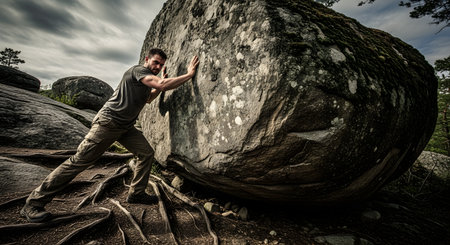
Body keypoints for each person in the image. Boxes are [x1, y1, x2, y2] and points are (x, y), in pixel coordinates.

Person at [21, 48, 200, 223]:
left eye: (160, 65)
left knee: (146, 153)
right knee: (78, 162)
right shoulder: (138, 71)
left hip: (125, 127)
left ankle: (136, 193)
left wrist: (160, 87)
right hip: (108, 123)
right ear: (147, 59)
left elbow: (148, 98)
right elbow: (160, 84)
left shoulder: (145, 81)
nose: (157, 67)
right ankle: (33, 204)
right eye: (155, 63)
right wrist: (189, 74)